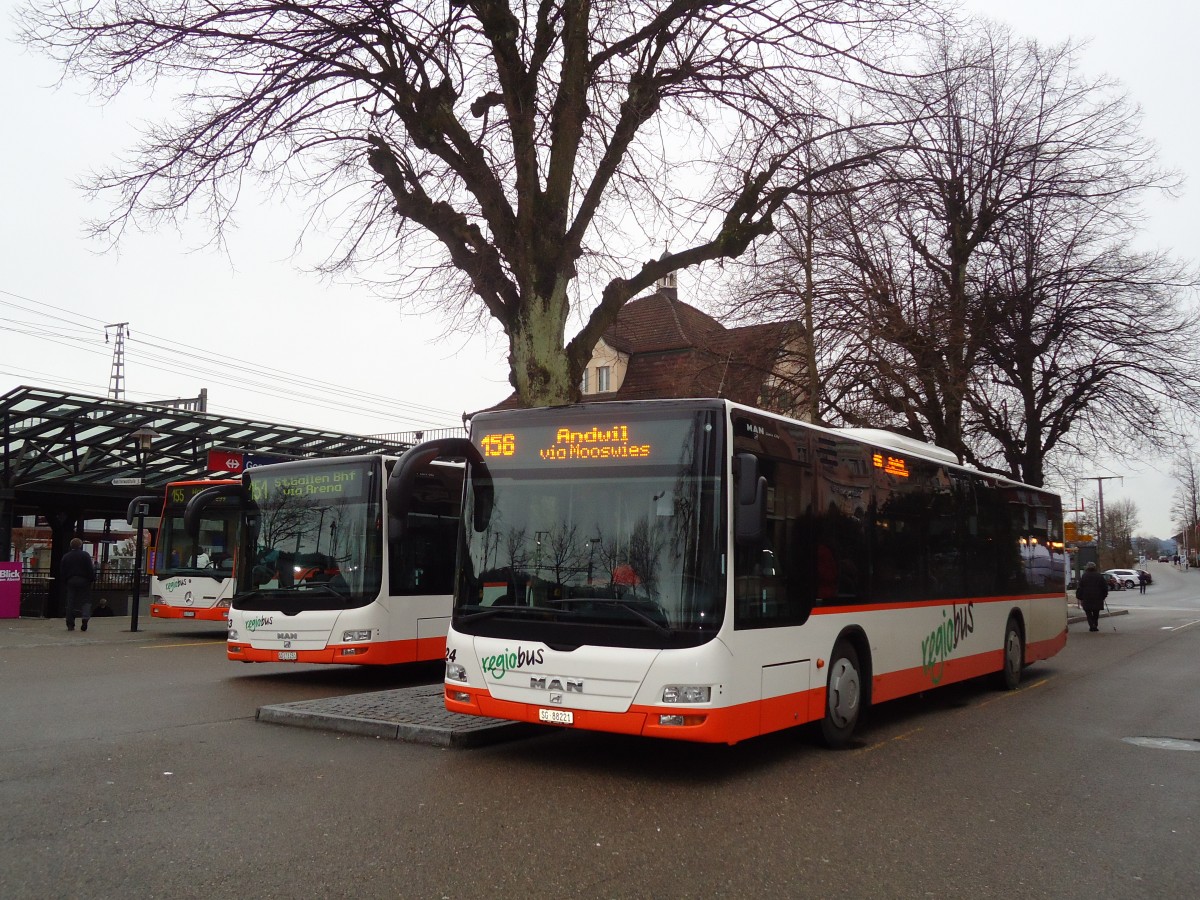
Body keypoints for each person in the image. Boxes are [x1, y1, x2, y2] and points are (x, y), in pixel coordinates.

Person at [60, 537, 96, 632]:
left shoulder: (66, 556)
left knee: (70, 602)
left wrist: (65, 581)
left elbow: (62, 571)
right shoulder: (85, 555)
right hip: (84, 581)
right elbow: (90, 569)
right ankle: (85, 618)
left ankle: (70, 624)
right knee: (86, 600)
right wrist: (92, 579)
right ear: (80, 545)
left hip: (71, 580)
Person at [1075, 561, 1109, 632]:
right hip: (1098, 597)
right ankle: (1095, 624)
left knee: (1088, 612)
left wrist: (1080, 597)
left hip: (1087, 598)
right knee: (1096, 612)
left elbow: (1080, 587)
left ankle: (1091, 625)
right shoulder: (1099, 576)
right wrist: (1104, 596)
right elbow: (1104, 587)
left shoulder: (1084, 576)